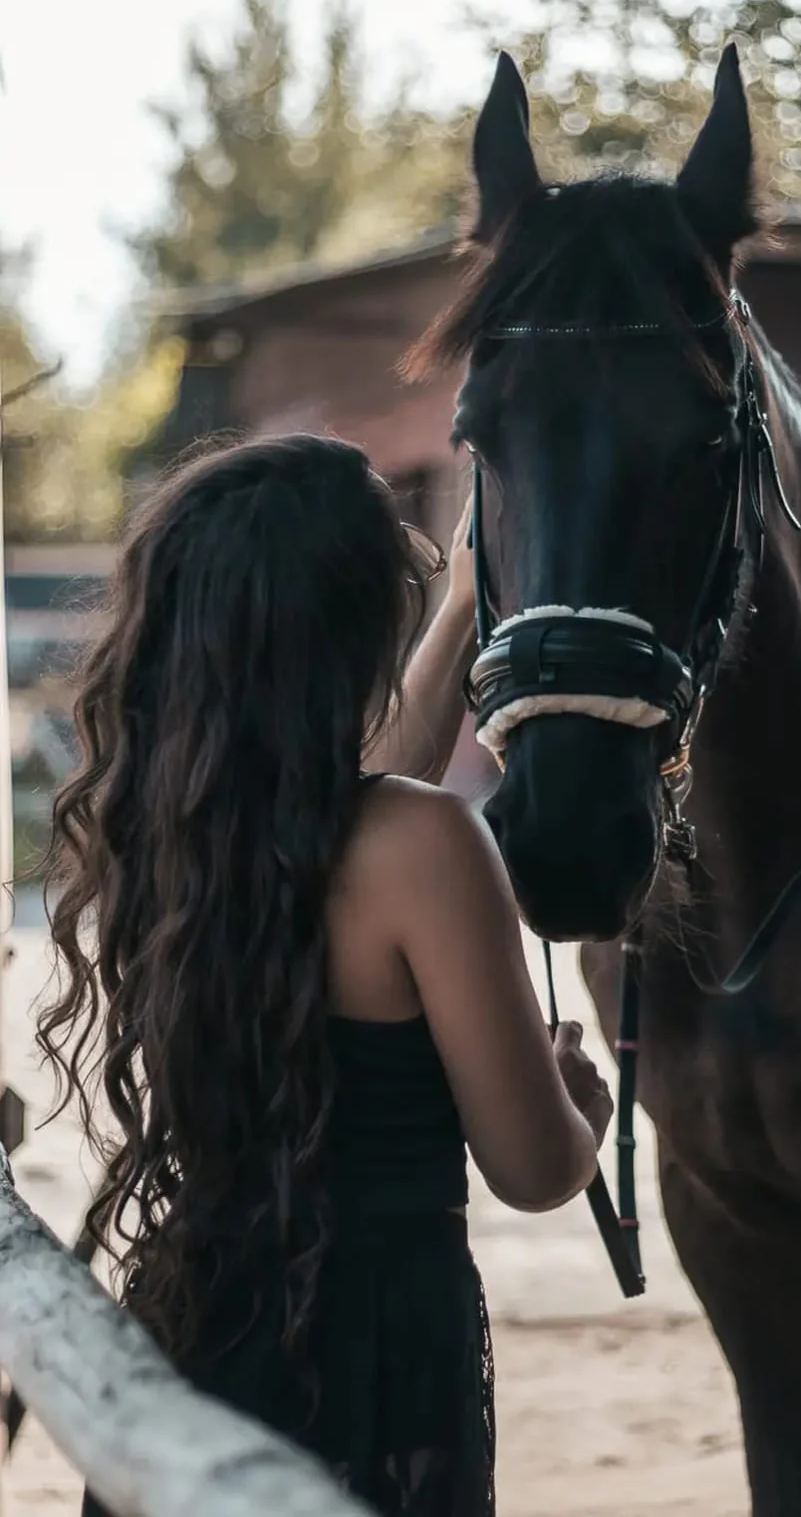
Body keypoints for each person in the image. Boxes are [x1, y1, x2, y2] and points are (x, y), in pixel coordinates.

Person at [37, 433, 614, 1517]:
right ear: (350, 634)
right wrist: (578, 1108)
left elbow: (349, 821)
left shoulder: (173, 831)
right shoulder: (426, 846)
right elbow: (534, 1169)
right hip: (370, 1360)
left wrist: (456, 617)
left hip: (197, 1323)